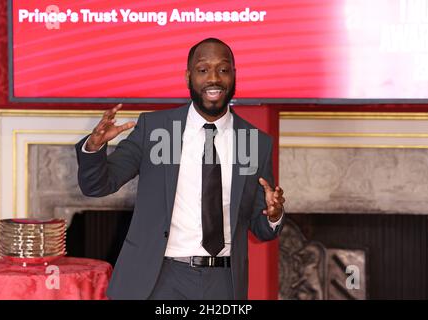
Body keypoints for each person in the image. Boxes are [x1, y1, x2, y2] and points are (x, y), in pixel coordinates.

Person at [75, 38, 285, 300]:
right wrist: (94, 148)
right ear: (188, 77)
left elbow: (262, 228)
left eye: (223, 69)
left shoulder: (254, 142)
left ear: (234, 75)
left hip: (222, 282)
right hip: (159, 278)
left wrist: (273, 215)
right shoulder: (156, 129)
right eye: (203, 69)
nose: (214, 78)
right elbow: (98, 186)